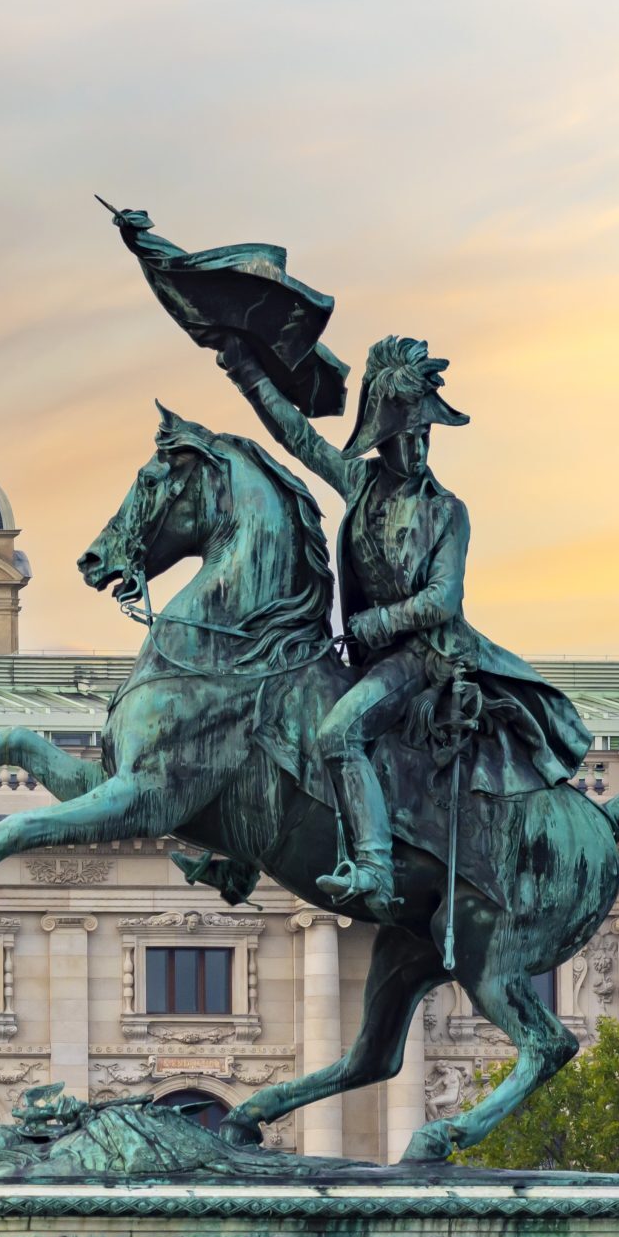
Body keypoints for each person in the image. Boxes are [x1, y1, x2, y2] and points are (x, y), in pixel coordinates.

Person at [217, 336, 591, 913]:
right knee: (274, 711)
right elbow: (298, 436)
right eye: (406, 436)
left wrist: (374, 624)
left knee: (338, 733)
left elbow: (443, 599)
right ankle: (240, 856)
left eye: (425, 435)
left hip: (428, 657)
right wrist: (245, 370)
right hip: (369, 656)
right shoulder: (360, 482)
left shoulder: (446, 511)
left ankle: (373, 866)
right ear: (381, 438)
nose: (418, 448)